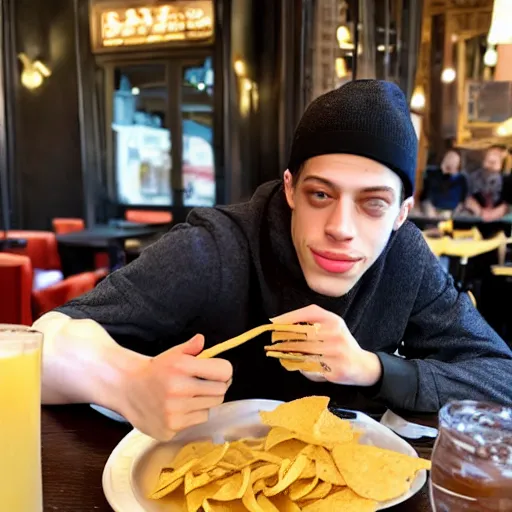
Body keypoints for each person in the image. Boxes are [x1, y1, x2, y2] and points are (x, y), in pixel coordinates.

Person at [34, 80, 512, 442]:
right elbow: (33, 348)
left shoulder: (405, 256)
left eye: (373, 203)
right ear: (289, 190)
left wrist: (372, 368)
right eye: (320, 194)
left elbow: (501, 377)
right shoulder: (217, 248)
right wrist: (126, 382)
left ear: (401, 215)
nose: (341, 227)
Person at [464, 146, 508, 221]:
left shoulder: (506, 179)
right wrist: (480, 212)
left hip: (501, 218)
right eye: (489, 159)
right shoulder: (472, 177)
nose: (491, 164)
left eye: (497, 157)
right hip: (475, 217)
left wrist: (496, 213)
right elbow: (466, 198)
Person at [419, 149, 467, 217]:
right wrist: (443, 170)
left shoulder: (461, 179)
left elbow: (462, 200)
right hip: (432, 208)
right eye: (449, 157)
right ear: (444, 158)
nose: (451, 161)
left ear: (459, 163)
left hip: (452, 212)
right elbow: (426, 194)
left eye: (454, 159)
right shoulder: (431, 173)